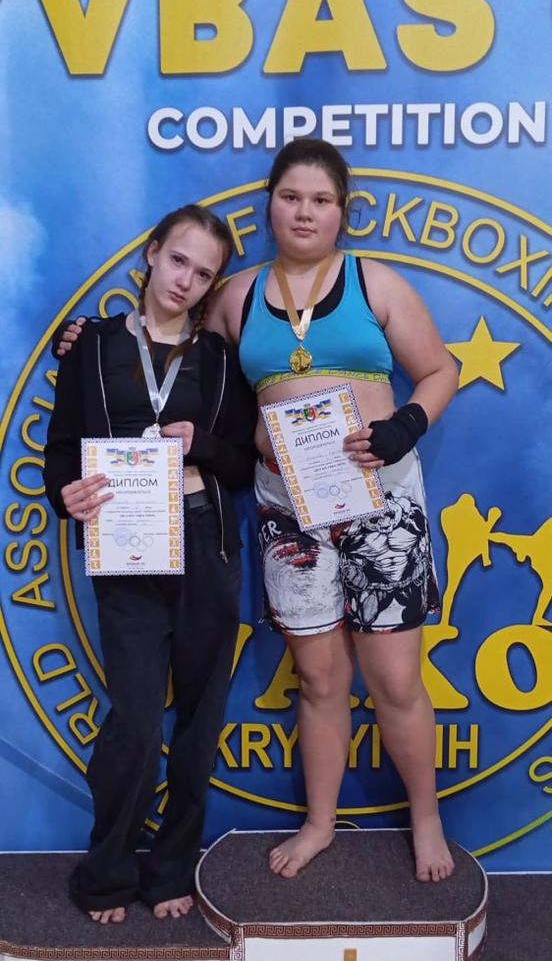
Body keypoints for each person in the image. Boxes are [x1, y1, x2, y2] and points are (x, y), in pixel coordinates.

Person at [57, 139, 459, 886]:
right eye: (290, 197)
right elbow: (171, 356)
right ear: (270, 205)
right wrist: (83, 343)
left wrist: (405, 424)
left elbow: (440, 369)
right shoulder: (234, 297)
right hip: (286, 509)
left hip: (380, 500)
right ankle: (319, 823)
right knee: (318, 677)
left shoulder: (374, 281)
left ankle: (427, 818)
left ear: (342, 212)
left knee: (396, 678)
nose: (304, 212)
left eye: (321, 200)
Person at [45, 204, 256, 924]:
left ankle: (170, 869)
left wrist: (202, 445)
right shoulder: (92, 344)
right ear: (151, 253)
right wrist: (65, 494)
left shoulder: (221, 361)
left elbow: (242, 462)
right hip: (127, 544)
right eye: (178, 260)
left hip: (205, 543)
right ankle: (106, 871)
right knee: (136, 722)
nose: (185, 280)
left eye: (203, 273)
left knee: (200, 718)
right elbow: (61, 449)